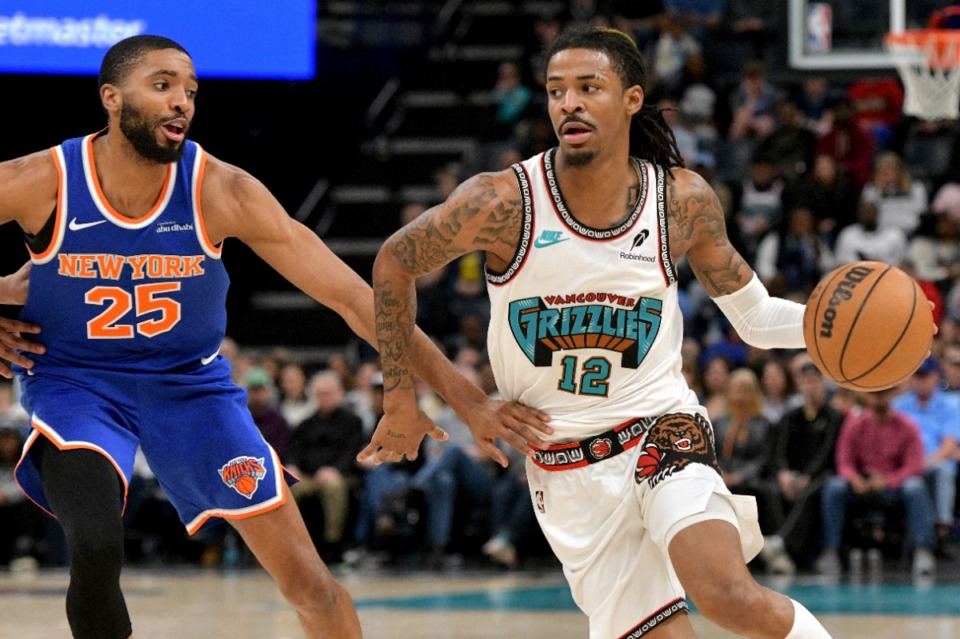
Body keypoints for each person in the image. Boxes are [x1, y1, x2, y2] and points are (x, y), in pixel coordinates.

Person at [0, 35, 551, 639]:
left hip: (191, 389)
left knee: (312, 586)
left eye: (190, 91)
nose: (182, 102)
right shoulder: (41, 180)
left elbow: (353, 299)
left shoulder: (221, 190)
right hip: (79, 384)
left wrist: (467, 399)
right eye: (162, 86)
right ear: (111, 97)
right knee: (98, 546)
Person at [364, 24, 832, 639]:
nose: (569, 103)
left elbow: (754, 315)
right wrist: (426, 400)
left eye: (589, 87)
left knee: (724, 592)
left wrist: (828, 329)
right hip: (568, 474)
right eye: (557, 90)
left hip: (663, 433)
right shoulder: (500, 203)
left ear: (632, 99)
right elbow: (393, 264)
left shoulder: (680, 200)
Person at [815, 388, 937, 578]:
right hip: (861, 487)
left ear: (893, 395)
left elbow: (914, 466)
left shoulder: (907, 426)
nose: (879, 398)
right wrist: (854, 478)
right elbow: (844, 460)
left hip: (893, 489)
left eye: (884, 394)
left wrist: (889, 480)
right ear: (866, 396)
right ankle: (830, 551)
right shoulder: (855, 425)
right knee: (834, 486)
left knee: (915, 487)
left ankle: (923, 551)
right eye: (875, 394)